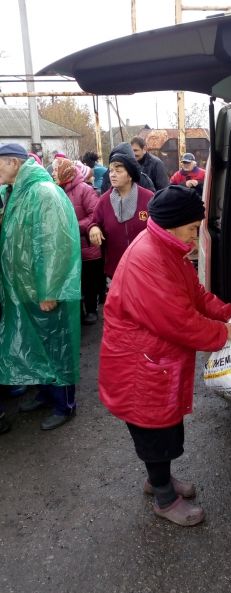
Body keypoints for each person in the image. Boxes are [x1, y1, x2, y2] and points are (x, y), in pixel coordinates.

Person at [99, 185, 231, 526]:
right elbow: (178, 320)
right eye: (193, 228)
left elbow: (194, 294)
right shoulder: (149, 259)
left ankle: (159, 480)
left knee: (163, 426)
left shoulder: (166, 248)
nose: (196, 235)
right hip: (139, 364)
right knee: (154, 431)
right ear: (173, 224)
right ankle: (164, 498)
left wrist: (228, 314)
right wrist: (223, 333)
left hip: (155, 360)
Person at [0, 143, 81, 431]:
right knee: (39, 344)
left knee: (57, 345)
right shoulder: (16, 192)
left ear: (13, 163)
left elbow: (55, 245)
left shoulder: (43, 193)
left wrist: (50, 290)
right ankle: (46, 394)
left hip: (44, 290)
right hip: (25, 287)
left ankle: (65, 405)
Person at [88, 148, 154, 279]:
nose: (112, 175)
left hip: (145, 269)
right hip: (115, 270)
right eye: (111, 171)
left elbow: (160, 227)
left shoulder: (148, 198)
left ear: (130, 175)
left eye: (118, 171)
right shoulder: (104, 201)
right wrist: (93, 228)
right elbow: (94, 222)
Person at [53, 158, 103, 325]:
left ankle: (91, 310)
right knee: (75, 281)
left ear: (66, 171)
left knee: (89, 281)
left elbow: (94, 215)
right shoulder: (55, 191)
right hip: (68, 247)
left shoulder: (84, 190)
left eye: (56, 170)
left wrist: (72, 226)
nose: (53, 173)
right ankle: (78, 312)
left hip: (86, 246)